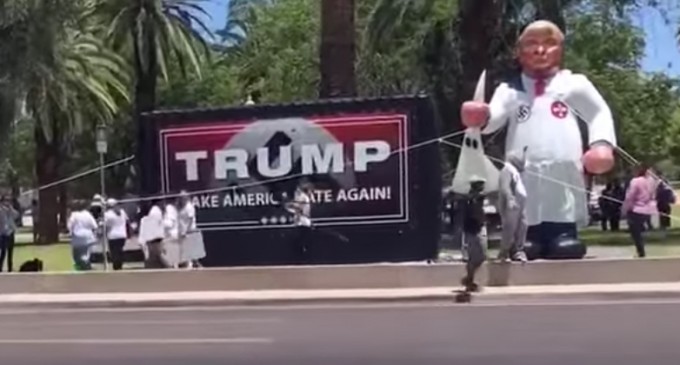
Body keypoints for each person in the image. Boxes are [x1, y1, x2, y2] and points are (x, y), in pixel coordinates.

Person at [460, 20, 617, 260]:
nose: (540, 50)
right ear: (519, 52)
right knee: (524, 197)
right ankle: (526, 237)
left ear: (561, 50)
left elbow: (598, 112)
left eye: (549, 43)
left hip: (564, 164)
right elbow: (494, 117)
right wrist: (480, 116)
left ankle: (563, 234)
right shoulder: (510, 90)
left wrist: (601, 145)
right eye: (532, 43)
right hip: (524, 165)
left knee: (561, 196)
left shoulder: (574, 84)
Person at [498, 150, 528, 262]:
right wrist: (510, 198)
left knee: (522, 226)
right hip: (512, 204)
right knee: (510, 228)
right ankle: (504, 253)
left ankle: (518, 250)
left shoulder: (516, 172)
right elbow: (504, 186)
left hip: (520, 204)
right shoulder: (507, 170)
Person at [621, 165, 658, 258]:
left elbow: (630, 196)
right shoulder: (652, 181)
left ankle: (640, 251)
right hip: (649, 208)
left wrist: (625, 208)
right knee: (640, 229)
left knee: (635, 232)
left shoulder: (635, 181)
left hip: (637, 209)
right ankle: (643, 245)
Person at [460, 180, 488, 292]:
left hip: (480, 227)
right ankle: (470, 280)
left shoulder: (480, 199)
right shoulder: (469, 200)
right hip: (472, 230)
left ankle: (469, 278)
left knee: (482, 256)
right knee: (474, 256)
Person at [285, 183, 314, 264]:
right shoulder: (302, 196)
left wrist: (289, 205)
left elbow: (298, 208)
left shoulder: (302, 196)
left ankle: (302, 259)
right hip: (302, 222)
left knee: (301, 241)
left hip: (302, 222)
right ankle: (301, 258)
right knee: (300, 241)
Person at [67, 202, 99, 271]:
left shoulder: (74, 215)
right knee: (86, 252)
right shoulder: (88, 215)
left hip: (77, 236)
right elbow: (95, 226)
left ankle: (80, 265)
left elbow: (70, 225)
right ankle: (85, 264)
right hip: (88, 236)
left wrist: (70, 232)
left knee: (76, 253)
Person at [177, 191, 204, 268]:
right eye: (180, 197)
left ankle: (192, 267)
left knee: (190, 252)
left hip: (190, 231)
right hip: (182, 232)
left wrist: (186, 231)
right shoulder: (180, 207)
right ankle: (195, 266)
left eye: (182, 197)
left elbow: (190, 219)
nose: (180, 199)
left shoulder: (189, 207)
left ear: (186, 198)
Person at [104, 198, 129, 270]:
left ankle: (116, 266)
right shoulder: (122, 212)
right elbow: (127, 221)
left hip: (113, 236)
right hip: (122, 235)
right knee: (119, 250)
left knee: (114, 252)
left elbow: (106, 226)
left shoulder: (107, 214)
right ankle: (119, 265)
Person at [0, 195, 19, 272]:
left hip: (11, 232)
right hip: (3, 233)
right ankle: (0, 267)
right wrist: (4, 209)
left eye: (9, 200)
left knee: (10, 252)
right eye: (6, 200)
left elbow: (16, 215)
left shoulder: (11, 210)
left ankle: (10, 267)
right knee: (3, 251)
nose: (7, 202)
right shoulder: (1, 211)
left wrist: (11, 209)